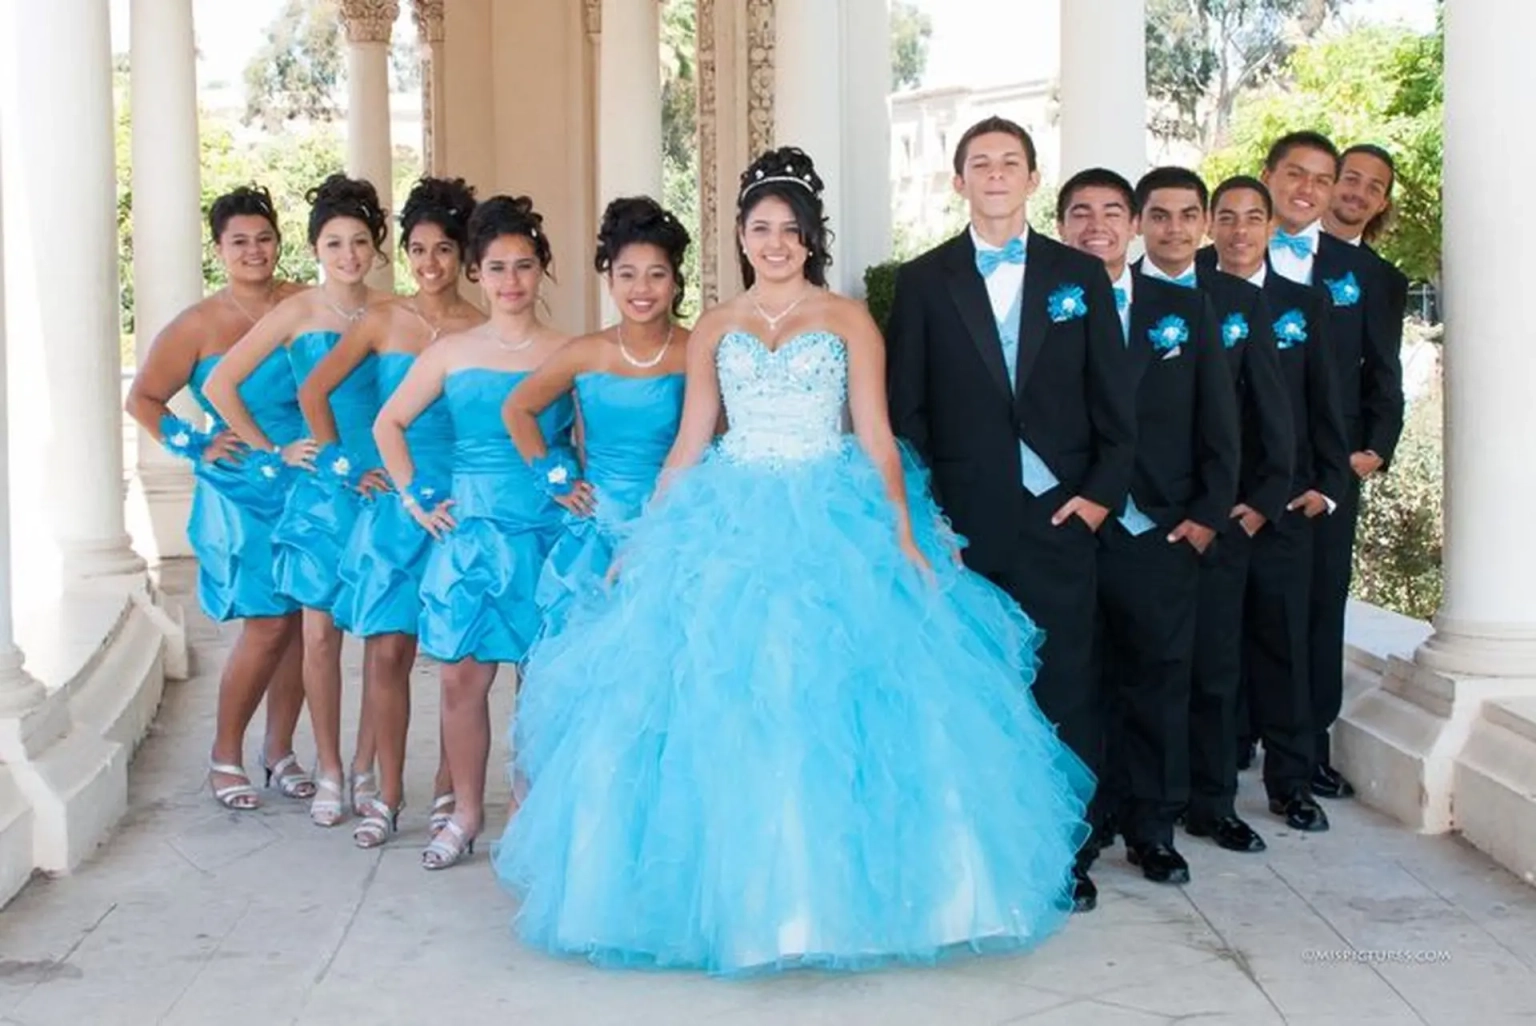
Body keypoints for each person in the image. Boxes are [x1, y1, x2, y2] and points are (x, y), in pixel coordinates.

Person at [493, 147, 1093, 977]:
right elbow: (689, 445)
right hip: (730, 516)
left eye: (792, 230)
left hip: (830, 506)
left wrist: (905, 531)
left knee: (841, 695)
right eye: (761, 228)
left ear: (812, 238)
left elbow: (878, 439)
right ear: (740, 235)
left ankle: (844, 904)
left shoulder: (848, 320)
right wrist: (646, 539)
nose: (776, 243)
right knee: (732, 695)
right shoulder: (714, 325)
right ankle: (748, 908)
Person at [886, 118, 1137, 912]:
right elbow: (905, 414)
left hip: (1061, 520)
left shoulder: (1079, 275)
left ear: (1032, 178)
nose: (996, 174)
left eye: (1011, 162)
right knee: (977, 690)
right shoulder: (924, 281)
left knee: (1067, 682)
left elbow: (1114, 402)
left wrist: (1097, 500)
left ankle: (1071, 851)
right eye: (980, 163)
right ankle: (976, 853)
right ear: (958, 181)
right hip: (964, 530)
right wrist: (931, 520)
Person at [374, 195, 574, 870]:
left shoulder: (567, 352)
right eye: (496, 267)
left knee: (539, 680)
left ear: (542, 269)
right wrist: (416, 497)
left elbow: (587, 435)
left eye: (523, 265)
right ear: (478, 274)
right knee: (461, 677)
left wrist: (572, 488)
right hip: (469, 532)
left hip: (545, 530)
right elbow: (388, 425)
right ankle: (463, 810)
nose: (510, 280)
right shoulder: (452, 352)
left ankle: (525, 806)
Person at [1057, 167, 1241, 885]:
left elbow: (1219, 425)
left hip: (1161, 529)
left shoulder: (1182, 309)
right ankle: (1083, 822)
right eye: (1080, 213)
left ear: (1133, 224)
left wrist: (1204, 518)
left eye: (1111, 211)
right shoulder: (1049, 308)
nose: (1096, 225)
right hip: (1068, 526)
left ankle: (1153, 825)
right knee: (1077, 680)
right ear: (1062, 225)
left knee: (1159, 679)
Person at [204, 174, 395, 826]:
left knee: (376, 633)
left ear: (376, 248)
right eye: (335, 243)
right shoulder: (296, 312)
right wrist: (272, 449)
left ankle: (367, 769)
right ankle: (330, 771)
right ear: (316, 248)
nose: (348, 255)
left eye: (360, 242)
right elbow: (223, 385)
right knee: (316, 636)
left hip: (379, 481)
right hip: (320, 486)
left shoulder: (391, 311)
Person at [299, 177, 484, 848]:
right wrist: (344, 467)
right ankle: (384, 792)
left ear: (464, 256)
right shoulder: (383, 321)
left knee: (457, 655)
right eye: (416, 250)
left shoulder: (480, 326)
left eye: (442, 250)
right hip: (394, 502)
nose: (429, 264)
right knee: (387, 652)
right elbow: (316, 392)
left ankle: (444, 789)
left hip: (460, 505)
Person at [125, 185, 311, 810]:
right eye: (240, 242)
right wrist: (194, 445)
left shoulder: (303, 304)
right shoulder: (199, 324)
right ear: (219, 249)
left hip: (304, 475)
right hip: (239, 486)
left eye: (264, 238)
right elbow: (143, 399)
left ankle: (280, 750)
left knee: (302, 621)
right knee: (265, 624)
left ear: (278, 242)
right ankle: (224, 753)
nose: (254, 251)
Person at [1132, 166, 1292, 855]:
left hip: (1212, 520)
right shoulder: (1104, 293)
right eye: (1158, 215)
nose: (1173, 228)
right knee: (1140, 675)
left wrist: (1248, 506)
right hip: (1126, 521)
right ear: (1141, 222)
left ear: (1201, 223)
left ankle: (1211, 802)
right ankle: (1144, 809)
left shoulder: (1232, 301)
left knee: (1213, 672)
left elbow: (1263, 414)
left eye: (1186, 215)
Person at [1200, 175, 1350, 832]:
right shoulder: (1188, 297)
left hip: (1287, 505)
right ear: (1211, 225)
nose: (1239, 232)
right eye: (1226, 217)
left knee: (1285, 646)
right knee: (1217, 649)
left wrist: (1325, 485)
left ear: (1270, 227)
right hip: (1212, 509)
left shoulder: (1302, 303)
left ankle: (1291, 781)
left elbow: (1327, 401)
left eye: (1252, 218)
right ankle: (1214, 777)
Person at [1261, 132, 1403, 801]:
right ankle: (1230, 741)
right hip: (1239, 468)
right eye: (1350, 176)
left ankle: (1306, 750)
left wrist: (1369, 452)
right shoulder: (1235, 251)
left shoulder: (1373, 279)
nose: (1353, 191)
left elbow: (1383, 374)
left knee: (1317, 613)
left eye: (1374, 186)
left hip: (1325, 471)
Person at [503, 196, 690, 636]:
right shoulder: (586, 353)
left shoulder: (696, 350)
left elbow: (714, 440)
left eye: (656, 275)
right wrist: (555, 479)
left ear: (676, 283)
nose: (641, 289)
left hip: (672, 522)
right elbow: (517, 408)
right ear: (609, 280)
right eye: (627, 275)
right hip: (597, 524)